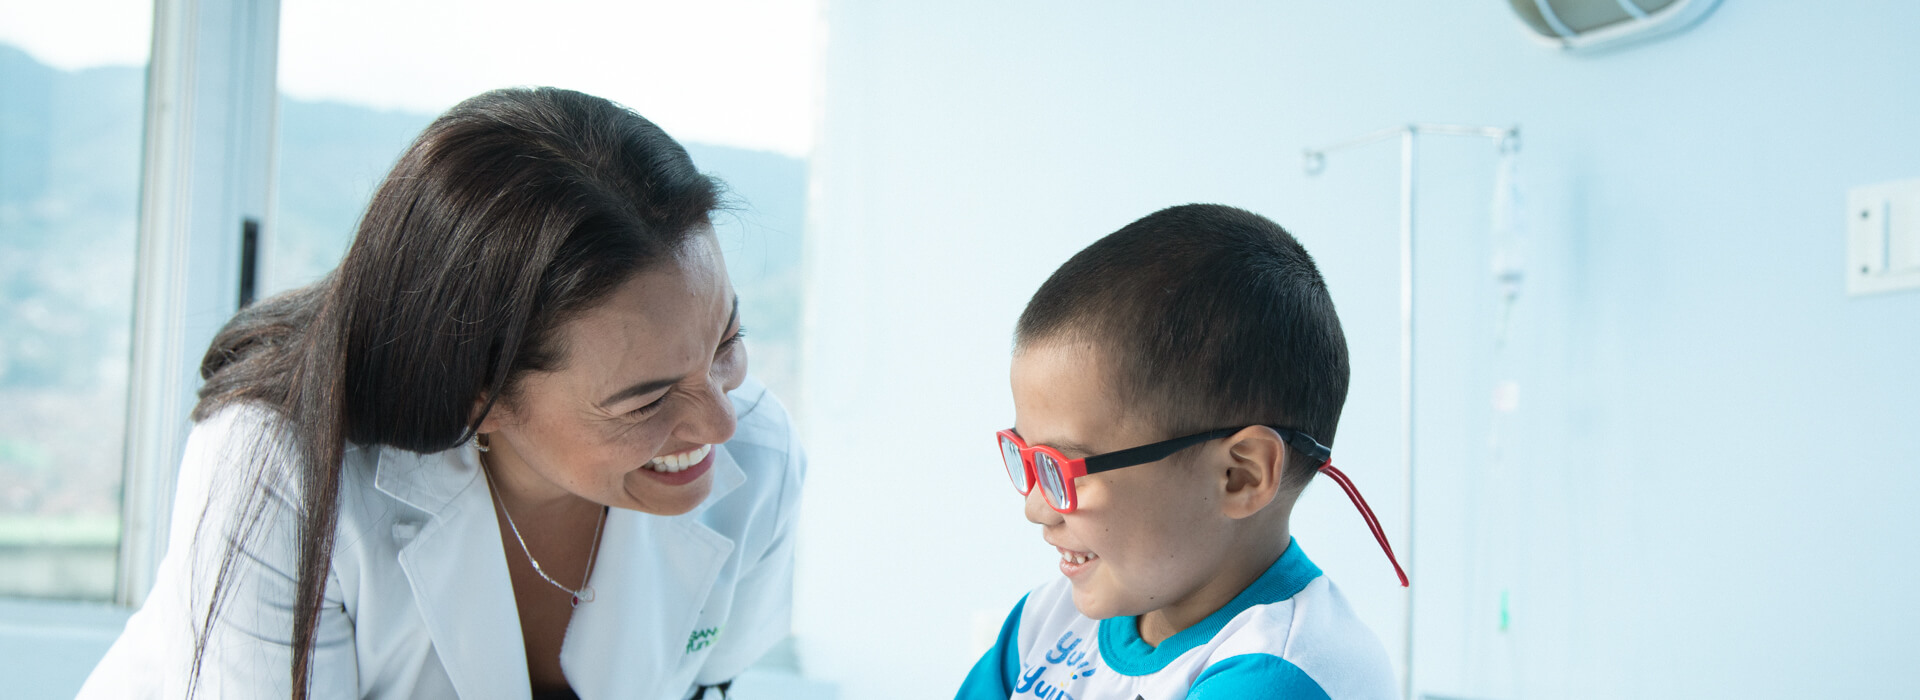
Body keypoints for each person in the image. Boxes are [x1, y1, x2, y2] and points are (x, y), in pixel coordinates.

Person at [78, 87, 804, 700]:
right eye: (646, 400)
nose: (717, 422)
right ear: (478, 393)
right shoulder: (285, 471)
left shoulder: (761, 464)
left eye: (724, 344)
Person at [957, 204, 1406, 700]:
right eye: (1027, 458)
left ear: (1241, 476)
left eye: (1064, 468)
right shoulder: (1044, 623)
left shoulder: (1278, 670)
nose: (1035, 507)